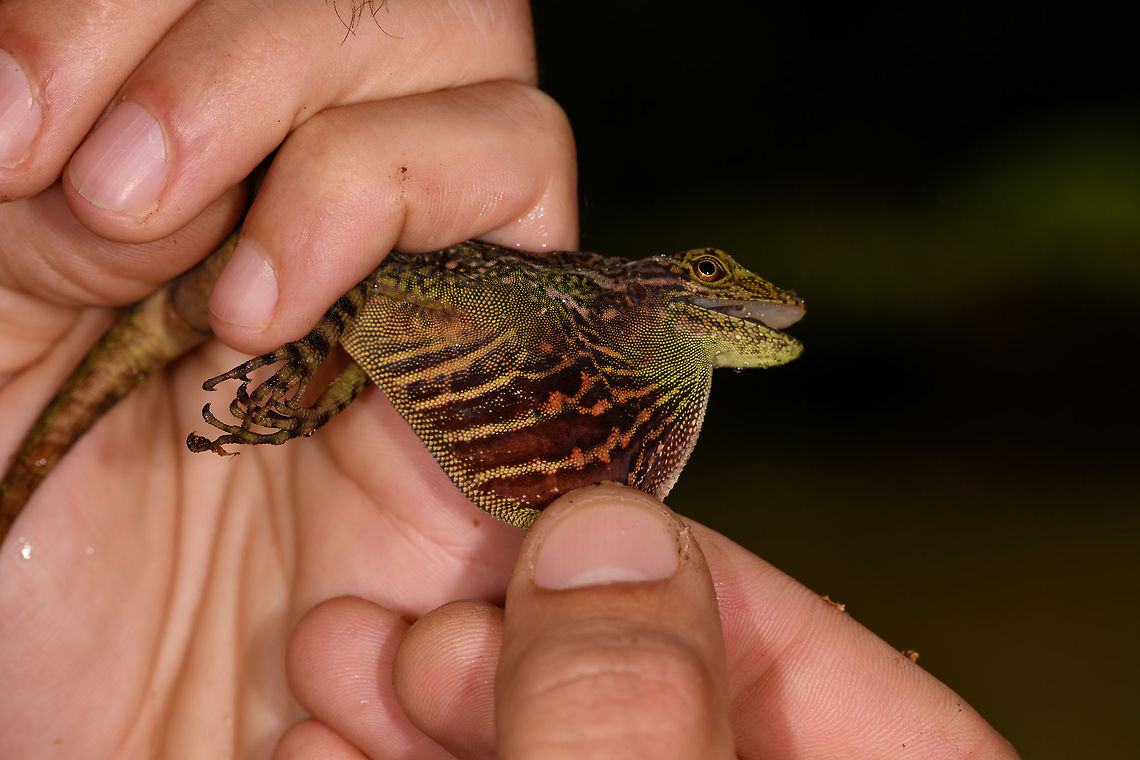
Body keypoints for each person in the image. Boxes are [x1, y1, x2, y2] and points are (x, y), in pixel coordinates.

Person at [0, 2, 1019, 756]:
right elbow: (385, 281)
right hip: (311, 309)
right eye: (708, 274)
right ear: (651, 287)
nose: (740, 298)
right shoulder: (554, 298)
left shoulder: (585, 331)